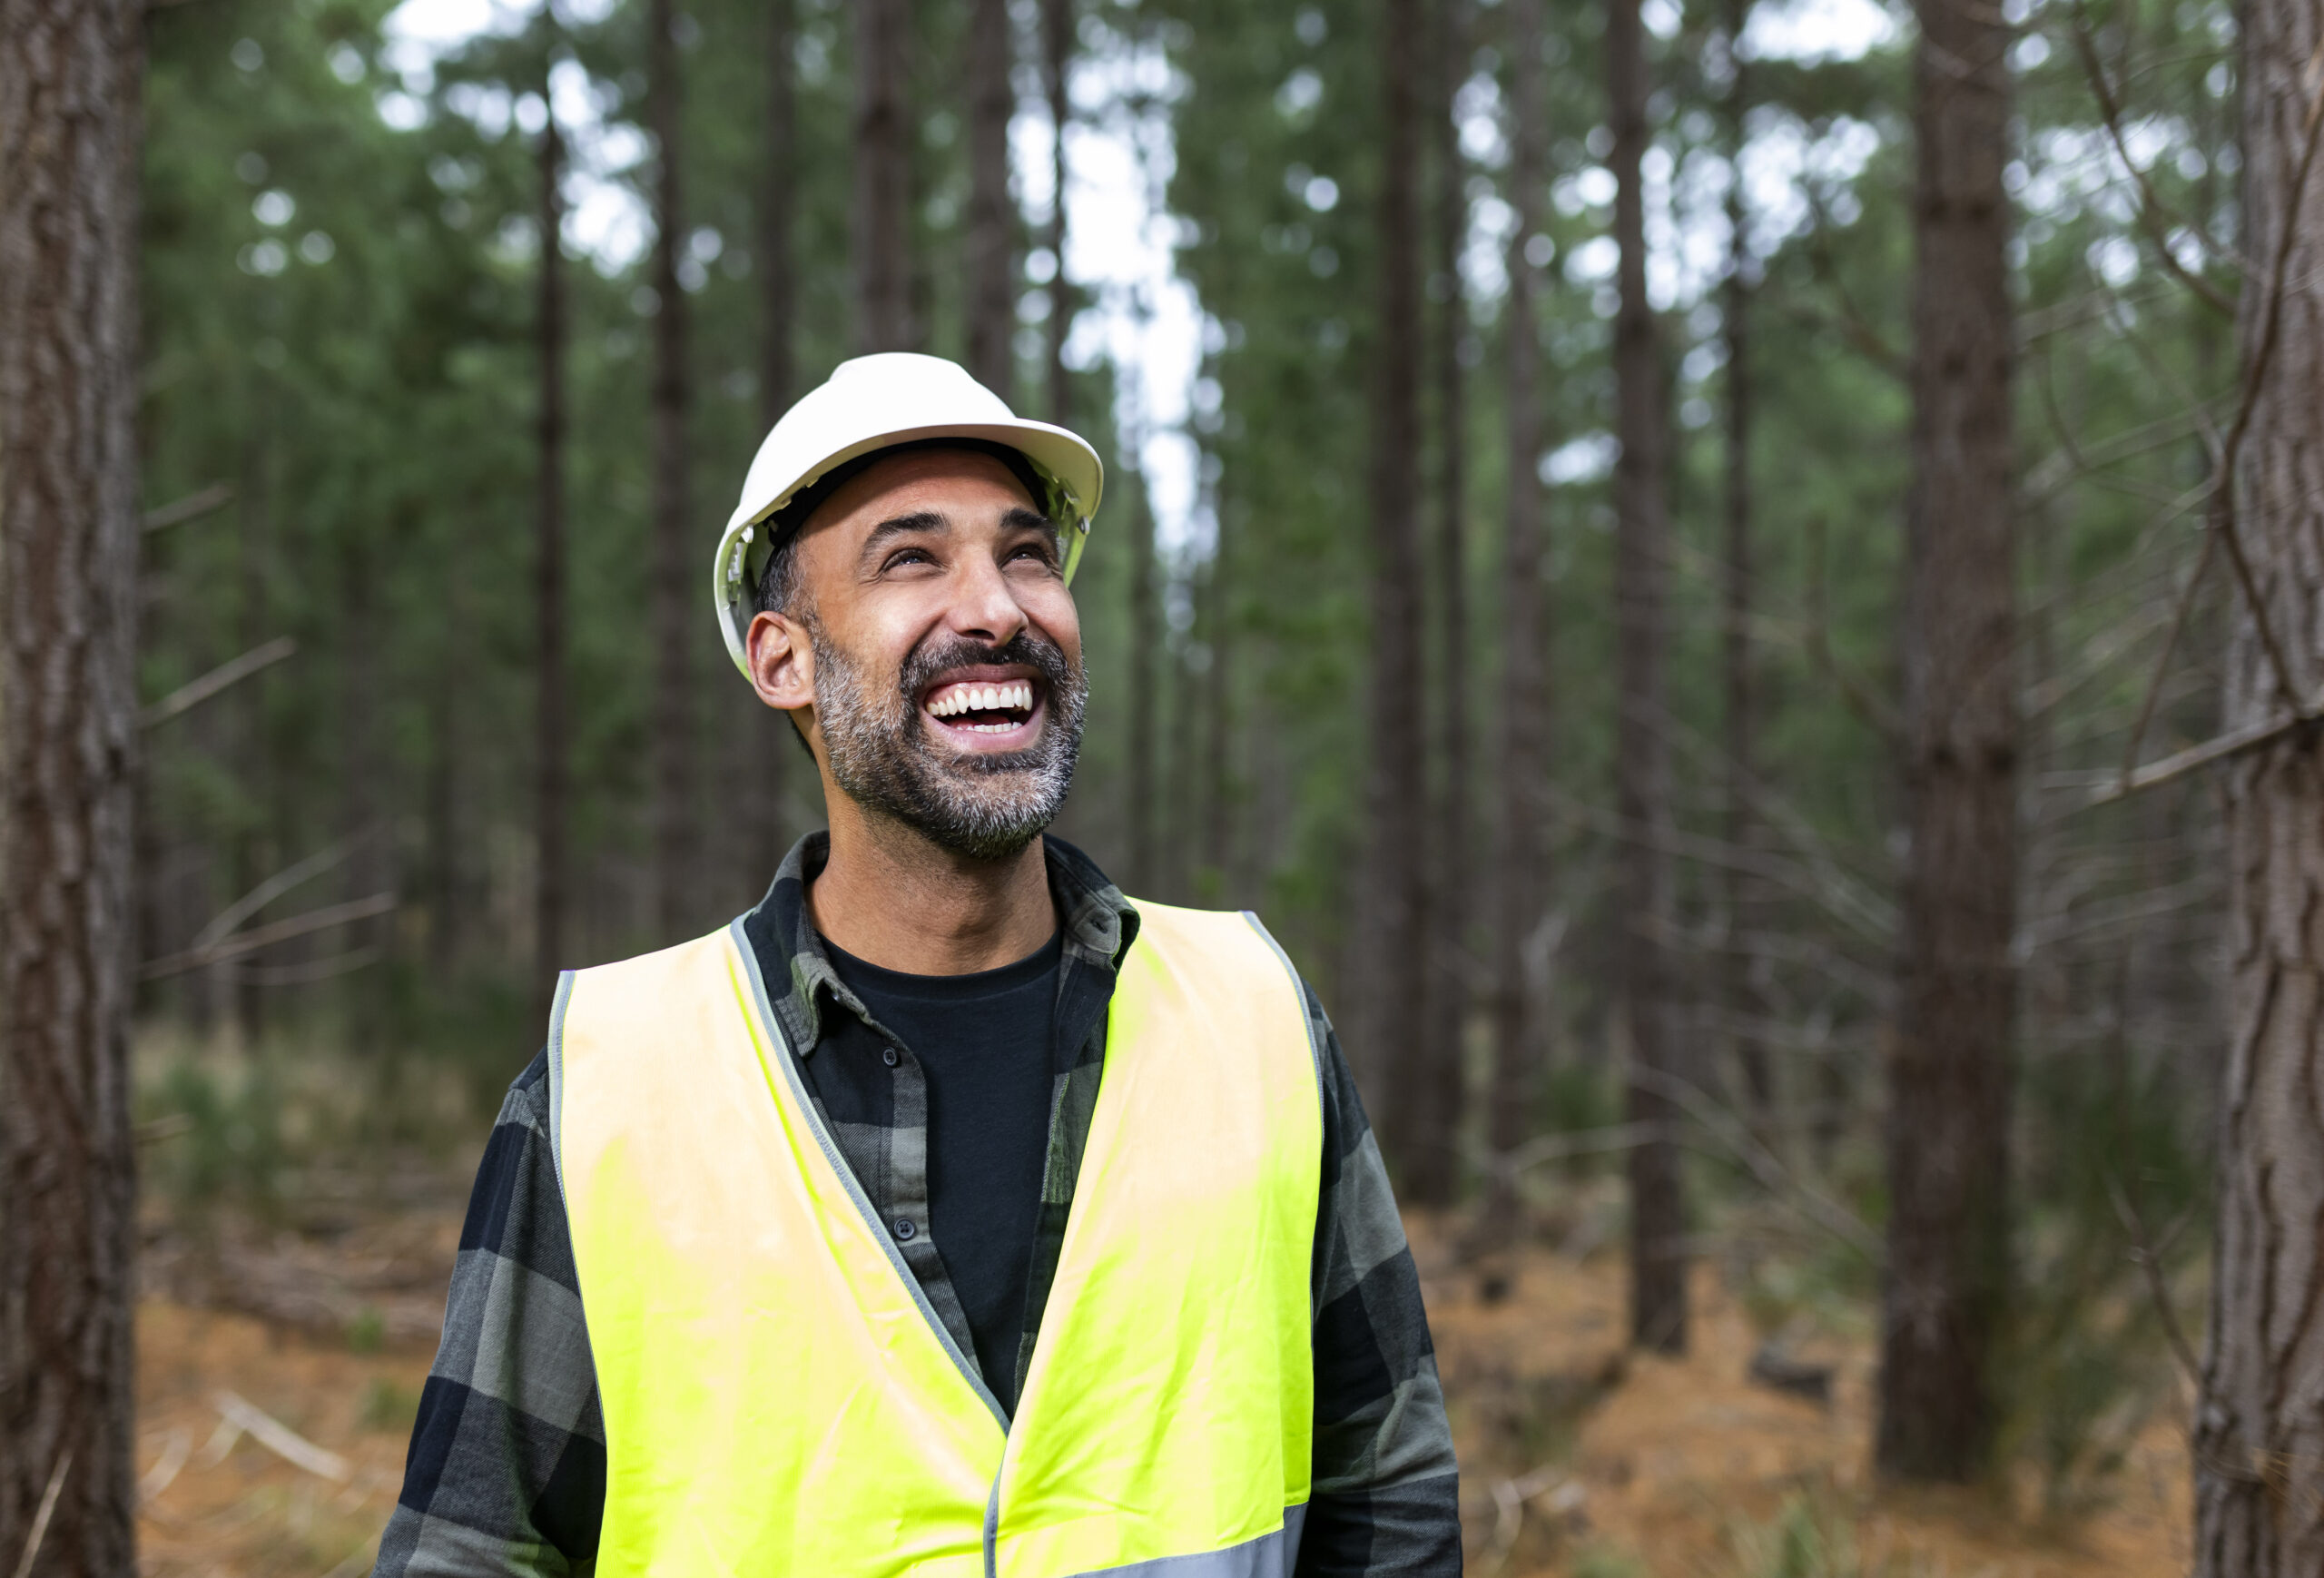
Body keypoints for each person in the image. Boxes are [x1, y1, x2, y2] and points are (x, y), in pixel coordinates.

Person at [374, 353, 1461, 1577]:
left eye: (1028, 553)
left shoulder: (1256, 1014)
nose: (997, 608)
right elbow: (469, 1549)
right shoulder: (610, 1084)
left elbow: (1388, 1483)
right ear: (782, 658)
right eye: (912, 559)